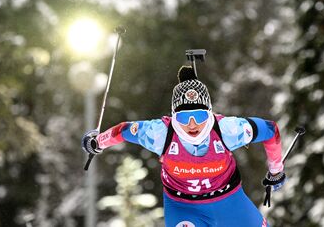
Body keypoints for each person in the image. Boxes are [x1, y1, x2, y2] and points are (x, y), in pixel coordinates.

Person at [82, 65, 286, 227]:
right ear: (173, 116)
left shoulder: (227, 129)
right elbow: (124, 130)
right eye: (183, 117)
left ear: (210, 113)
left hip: (229, 201)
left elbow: (270, 130)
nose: (192, 125)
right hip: (184, 207)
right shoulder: (160, 133)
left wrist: (276, 170)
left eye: (198, 116)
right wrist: (97, 142)